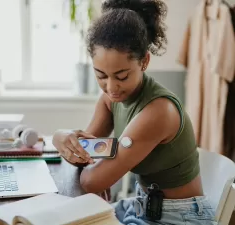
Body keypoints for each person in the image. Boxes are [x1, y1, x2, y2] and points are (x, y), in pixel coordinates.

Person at [52, 0, 217, 224]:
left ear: (144, 61)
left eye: (122, 76)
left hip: (178, 216)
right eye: (101, 75)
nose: (111, 88)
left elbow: (92, 179)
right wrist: (60, 136)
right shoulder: (110, 100)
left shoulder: (158, 112)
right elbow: (84, 153)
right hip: (143, 204)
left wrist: (86, 162)